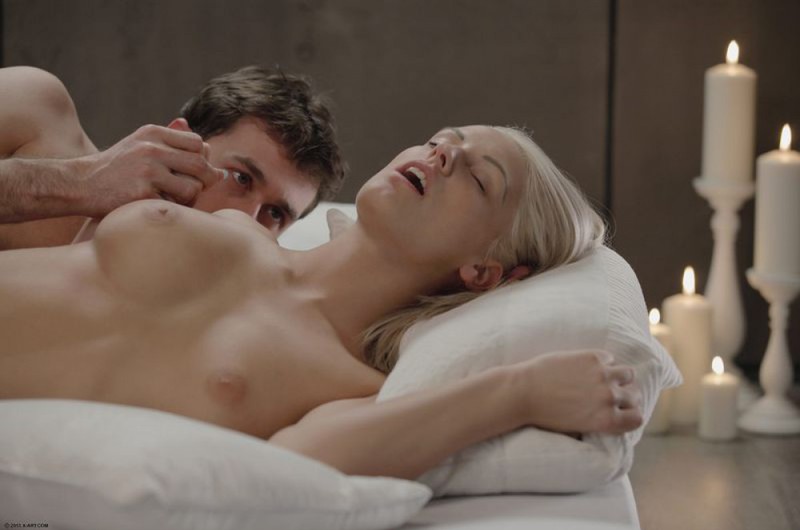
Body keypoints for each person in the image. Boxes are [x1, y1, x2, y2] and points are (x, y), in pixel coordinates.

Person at [0, 125, 642, 480]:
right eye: (440, 140)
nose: (444, 153)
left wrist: (520, 392)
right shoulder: (233, 226)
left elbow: (299, 473)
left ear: (483, 270)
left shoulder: (350, 385)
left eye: (478, 176)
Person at [0, 64, 344, 249]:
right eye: (241, 178)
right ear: (178, 142)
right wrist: (83, 185)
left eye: (275, 213)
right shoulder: (34, 110)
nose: (244, 221)